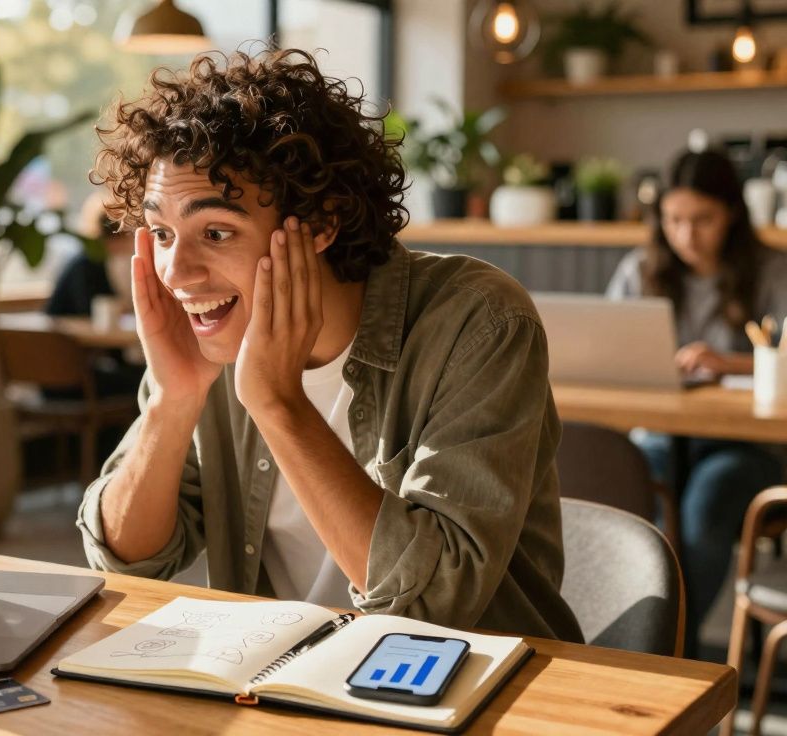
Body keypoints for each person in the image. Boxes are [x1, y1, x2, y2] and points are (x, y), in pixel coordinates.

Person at [77, 48, 582, 641]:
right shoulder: (210, 341)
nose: (176, 272)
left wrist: (277, 402)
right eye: (162, 233)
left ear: (321, 221)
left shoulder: (478, 322)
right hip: (279, 673)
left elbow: (435, 606)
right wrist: (172, 399)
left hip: (475, 680)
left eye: (215, 232)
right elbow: (127, 559)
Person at [606, 148, 787, 657]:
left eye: (703, 219)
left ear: (731, 213)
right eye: (674, 220)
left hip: (746, 446)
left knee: (704, 508)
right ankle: (621, 649)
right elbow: (612, 350)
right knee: (622, 497)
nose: (687, 235)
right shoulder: (640, 269)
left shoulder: (773, 271)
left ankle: (667, 656)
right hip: (661, 436)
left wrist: (727, 364)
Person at [44, 193, 143, 398]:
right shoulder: (86, 265)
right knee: (144, 380)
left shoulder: (90, 261)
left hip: (59, 372)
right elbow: (90, 315)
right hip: (69, 376)